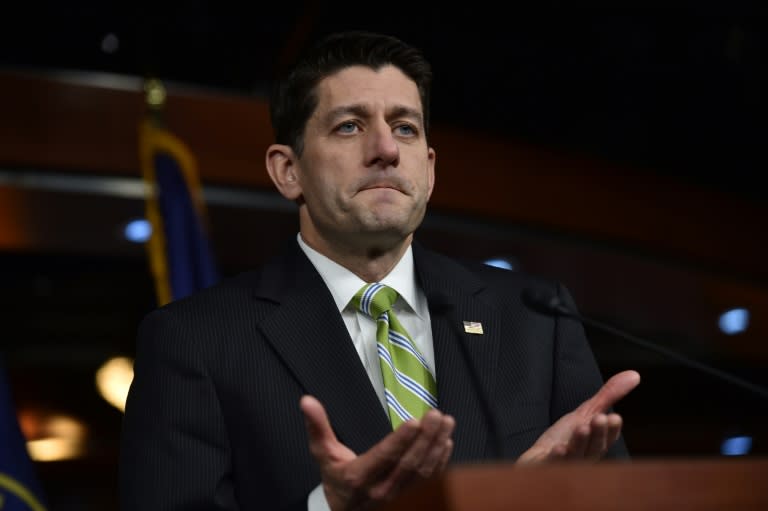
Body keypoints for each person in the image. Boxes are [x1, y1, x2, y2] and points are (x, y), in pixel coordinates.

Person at [119, 30, 641, 511]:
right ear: (288, 170)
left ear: (430, 171)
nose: (386, 150)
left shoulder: (535, 318)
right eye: (349, 126)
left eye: (405, 128)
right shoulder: (195, 340)